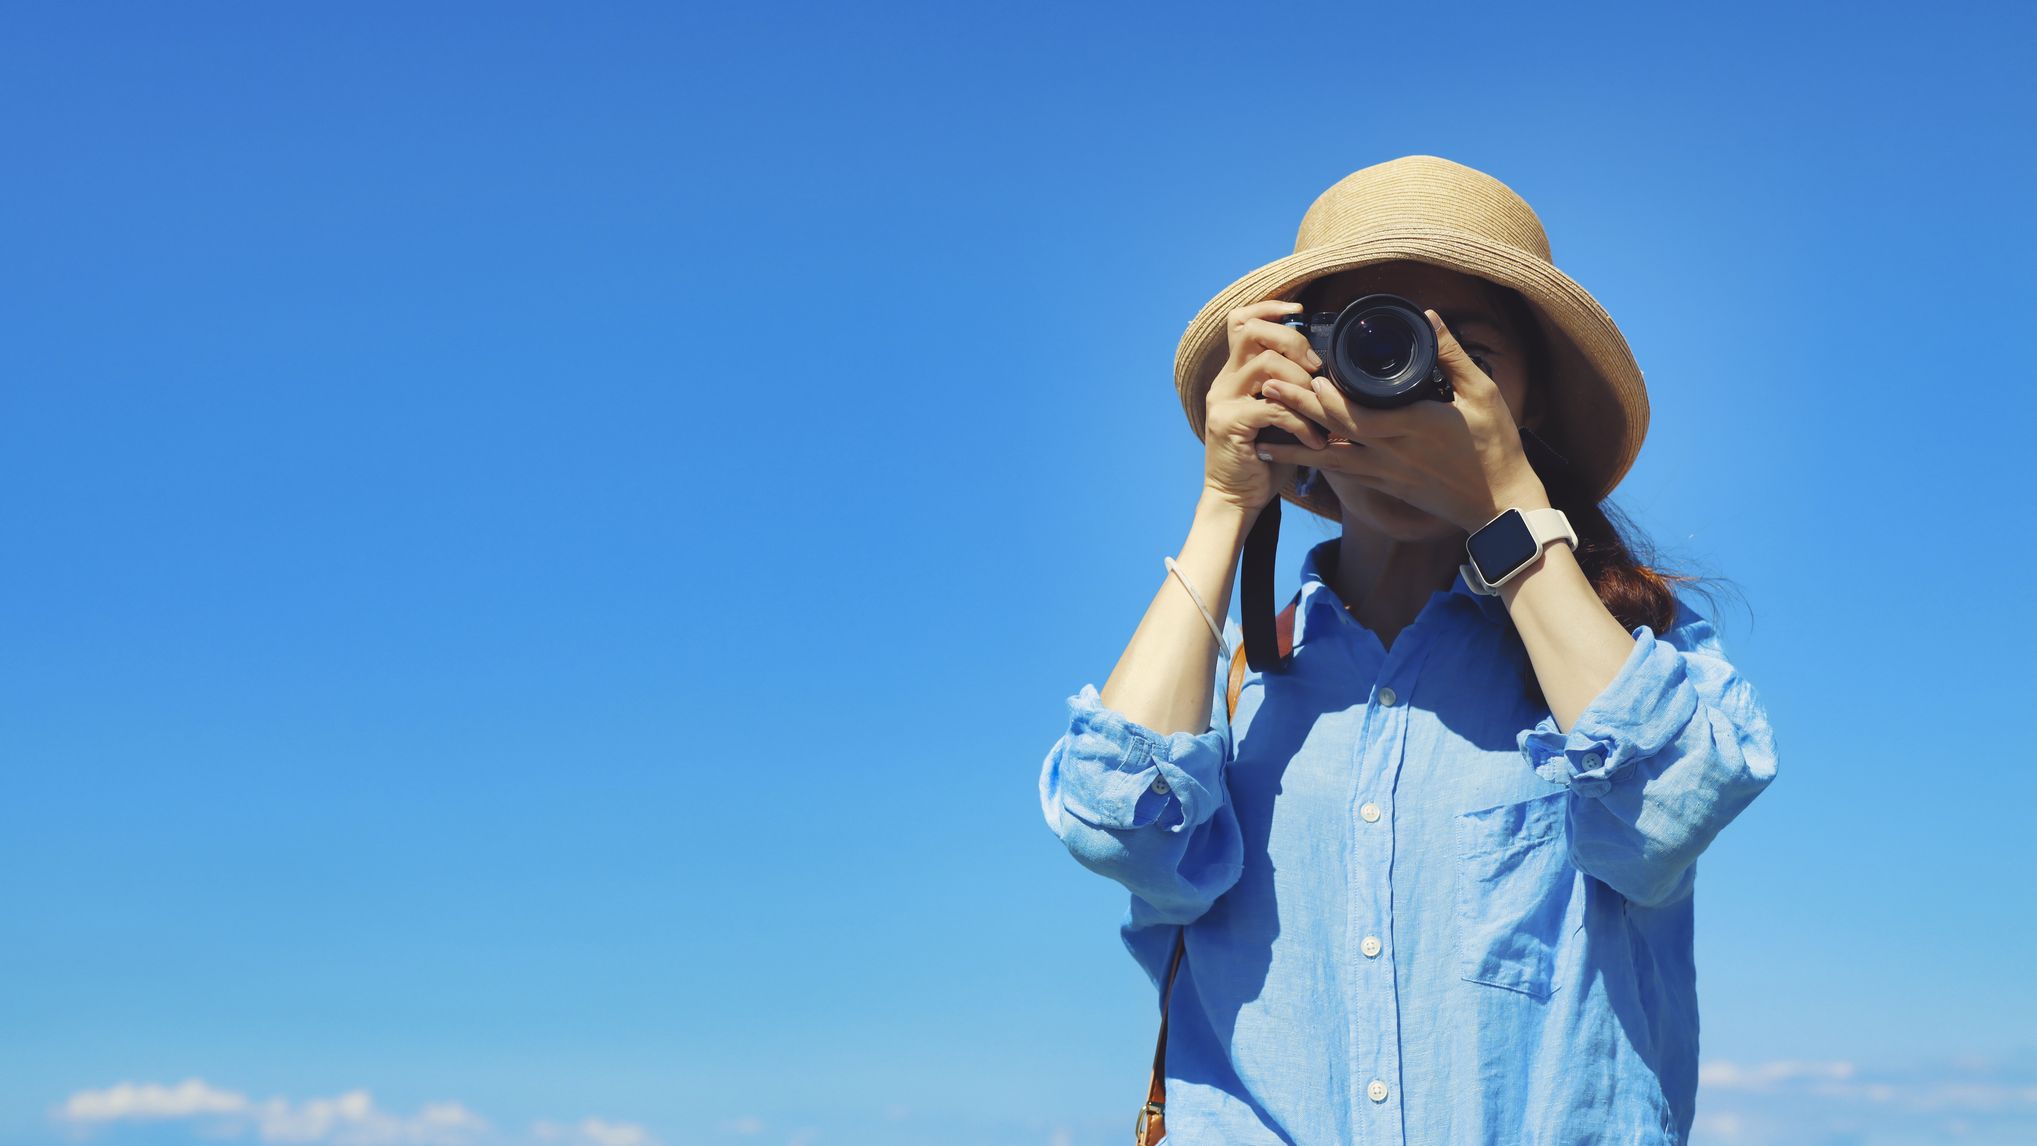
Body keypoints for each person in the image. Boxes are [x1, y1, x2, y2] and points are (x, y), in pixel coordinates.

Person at [1037, 155, 1780, 1145]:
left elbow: (1666, 818)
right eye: (1364, 346)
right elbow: (1117, 833)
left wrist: (1506, 512)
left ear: (1532, 402)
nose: (1403, 384)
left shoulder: (1624, 653)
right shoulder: (1238, 682)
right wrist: (1225, 502)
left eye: (1460, 352)